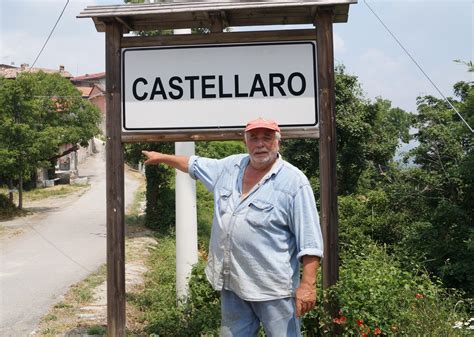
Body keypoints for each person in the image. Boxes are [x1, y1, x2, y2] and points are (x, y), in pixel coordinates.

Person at [142, 117, 324, 337]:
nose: (260, 144)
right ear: (245, 141)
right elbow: (193, 164)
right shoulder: (229, 167)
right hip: (234, 286)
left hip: (274, 291)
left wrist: (307, 285)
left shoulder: (294, 182)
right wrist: (161, 158)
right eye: (253, 138)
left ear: (278, 142)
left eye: (267, 138)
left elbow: (310, 240)